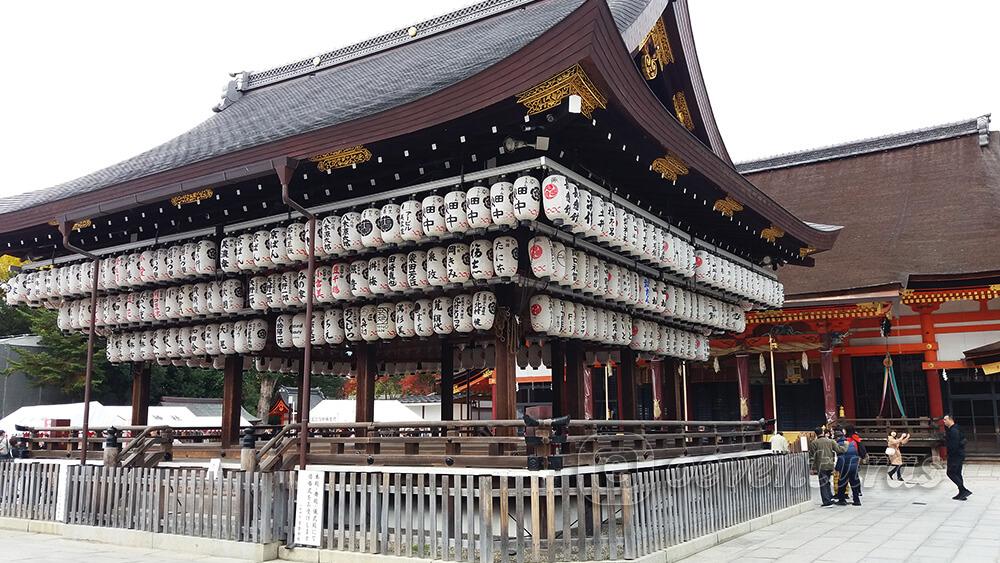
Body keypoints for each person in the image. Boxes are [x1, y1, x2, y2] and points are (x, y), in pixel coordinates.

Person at [809, 426, 847, 507]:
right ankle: (829, 497)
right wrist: (846, 445)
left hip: (821, 465)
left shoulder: (814, 443)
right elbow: (840, 450)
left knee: (823, 483)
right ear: (822, 432)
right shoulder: (831, 441)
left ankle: (826, 500)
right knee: (827, 482)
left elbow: (812, 456)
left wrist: (812, 468)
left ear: (816, 433)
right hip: (830, 464)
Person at [834, 425, 866, 506]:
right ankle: (856, 500)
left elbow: (841, 457)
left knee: (842, 483)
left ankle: (841, 499)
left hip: (845, 466)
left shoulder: (841, 443)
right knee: (854, 483)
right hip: (854, 465)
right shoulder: (854, 441)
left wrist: (837, 468)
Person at [942, 415, 972, 500]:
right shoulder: (957, 428)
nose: (943, 421)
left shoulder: (954, 430)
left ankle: (963, 490)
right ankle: (962, 493)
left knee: (950, 473)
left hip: (955, 455)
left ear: (950, 420)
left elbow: (954, 445)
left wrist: (949, 454)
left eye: (945, 419)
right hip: (959, 454)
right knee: (957, 473)